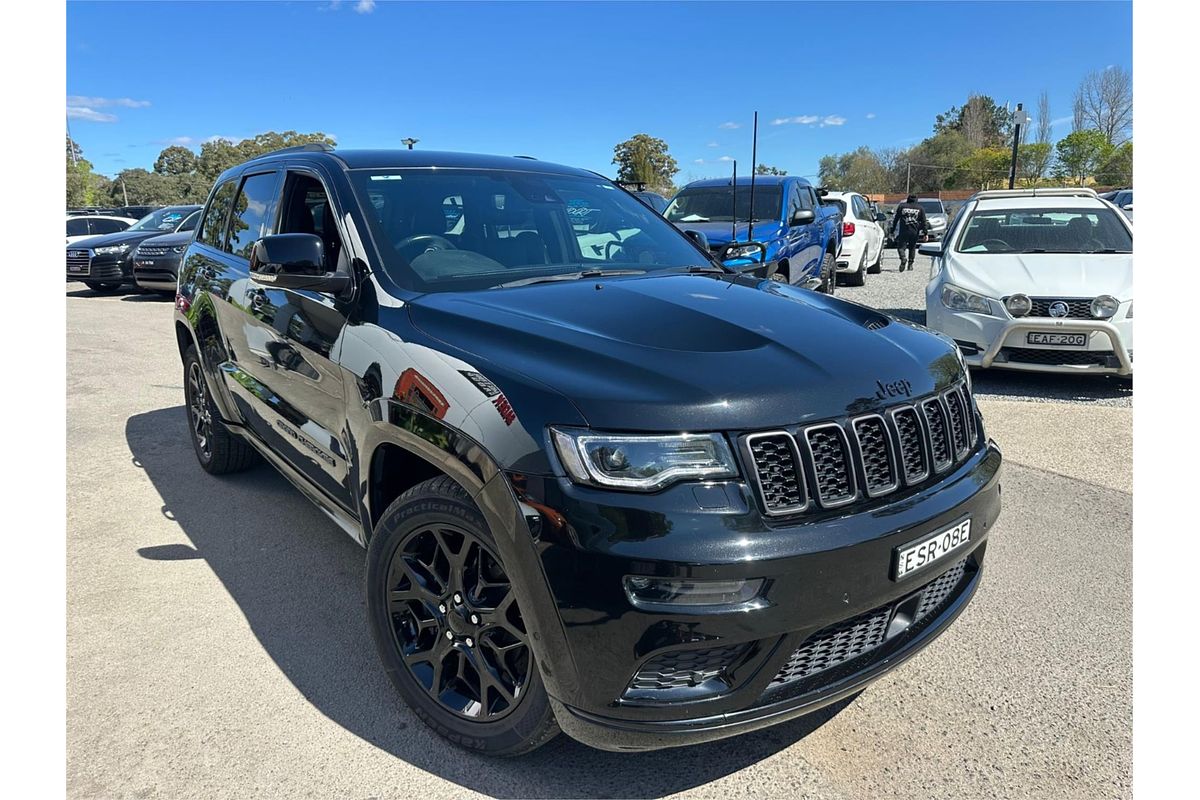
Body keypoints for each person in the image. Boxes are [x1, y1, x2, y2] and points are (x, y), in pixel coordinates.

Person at [890, 194, 929, 272]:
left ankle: (903, 258)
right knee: (912, 247)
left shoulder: (902, 206)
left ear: (908, 199)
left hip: (904, 231)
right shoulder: (920, 208)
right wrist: (925, 233)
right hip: (915, 231)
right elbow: (924, 222)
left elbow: (896, 219)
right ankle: (910, 264)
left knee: (901, 247)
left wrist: (892, 230)